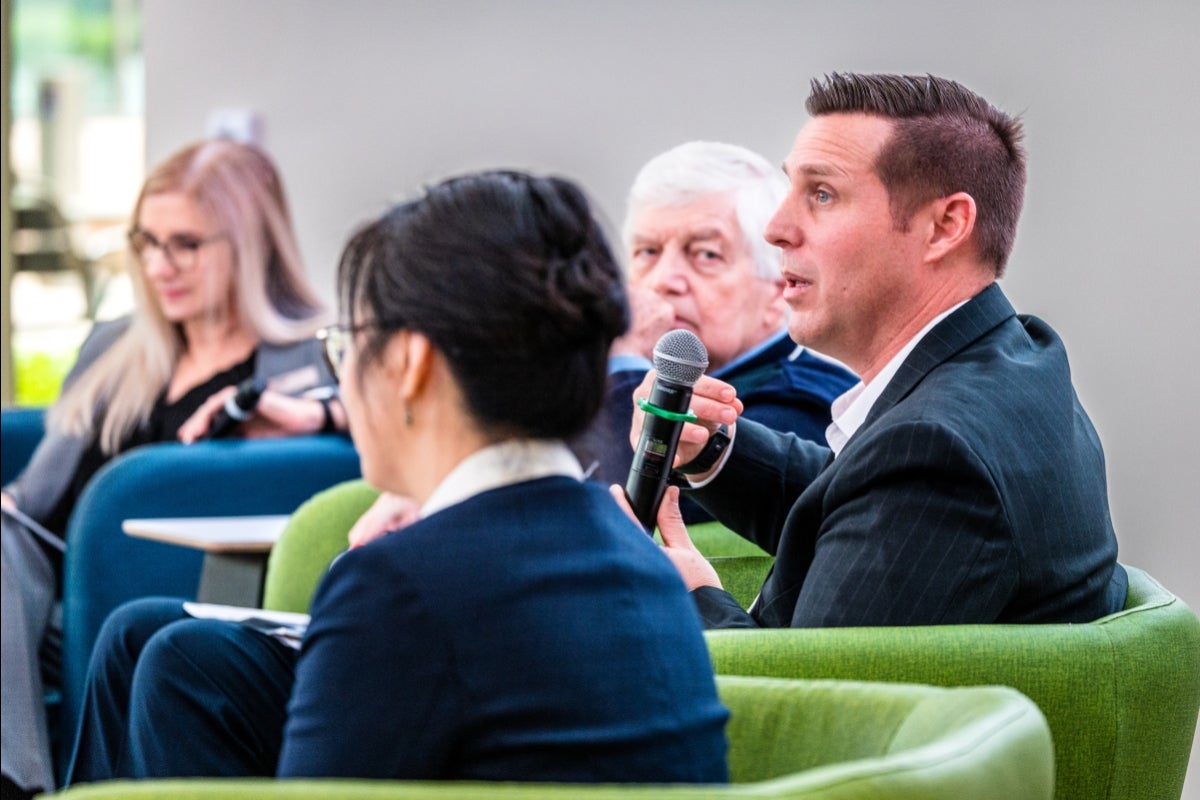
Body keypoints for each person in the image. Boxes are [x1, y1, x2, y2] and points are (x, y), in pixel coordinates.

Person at [65, 171, 729, 785]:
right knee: (167, 648)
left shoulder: (398, 589)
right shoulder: (643, 562)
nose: (345, 375)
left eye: (348, 345)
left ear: (411, 361)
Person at [619, 72, 1127, 630]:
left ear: (945, 226)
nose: (776, 229)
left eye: (822, 194)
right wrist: (715, 449)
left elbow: (812, 700)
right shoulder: (1010, 358)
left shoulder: (936, 453)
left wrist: (680, 594)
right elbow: (865, 508)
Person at [1, 139, 341, 799]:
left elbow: (388, 412)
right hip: (40, 599)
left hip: (162, 601)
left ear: (249, 244)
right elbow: (32, 496)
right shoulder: (116, 344)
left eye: (186, 244)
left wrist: (315, 415)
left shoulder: (308, 358)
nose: (160, 266)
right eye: (146, 242)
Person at [573, 140, 857, 492]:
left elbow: (628, 511)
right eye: (648, 251)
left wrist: (626, 361)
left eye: (706, 254)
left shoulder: (798, 410)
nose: (664, 280)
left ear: (776, 288)